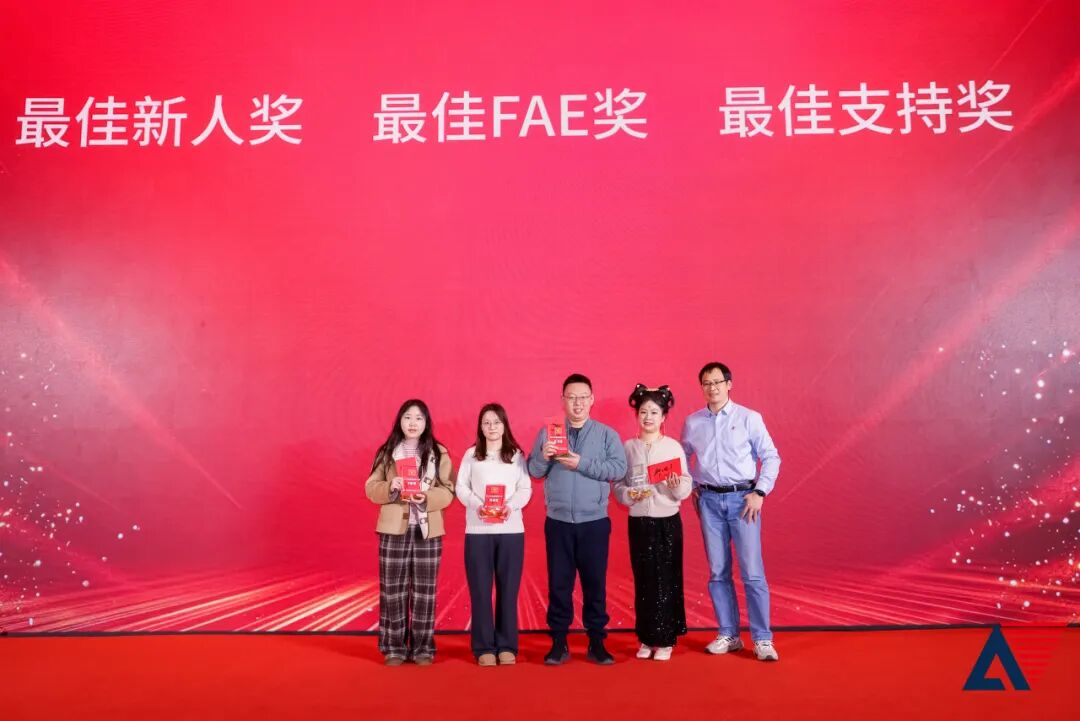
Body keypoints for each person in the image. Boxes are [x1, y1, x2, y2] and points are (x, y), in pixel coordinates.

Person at [681, 362, 781, 662]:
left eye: (717, 382)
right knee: (717, 571)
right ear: (701, 387)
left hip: (743, 501)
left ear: (729, 384)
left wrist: (760, 492)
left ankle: (762, 639)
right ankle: (729, 634)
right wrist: (692, 485)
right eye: (706, 383)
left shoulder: (749, 418)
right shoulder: (693, 422)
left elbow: (771, 456)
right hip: (709, 501)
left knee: (752, 572)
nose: (712, 388)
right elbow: (682, 456)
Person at [527, 373, 627, 665]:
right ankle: (559, 642)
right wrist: (544, 456)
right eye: (571, 397)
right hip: (558, 522)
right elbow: (533, 471)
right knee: (559, 584)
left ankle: (596, 642)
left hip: (594, 522)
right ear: (563, 400)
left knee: (595, 584)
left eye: (583, 397)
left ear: (592, 399)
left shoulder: (606, 434)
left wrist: (581, 463)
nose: (577, 403)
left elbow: (618, 469)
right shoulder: (548, 432)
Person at [364, 399, 454, 666]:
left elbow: (448, 490)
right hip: (393, 530)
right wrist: (391, 486)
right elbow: (371, 488)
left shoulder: (438, 452)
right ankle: (394, 648)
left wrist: (427, 497)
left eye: (418, 418)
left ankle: (423, 648)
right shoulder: (387, 451)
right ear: (399, 421)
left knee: (425, 592)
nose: (413, 423)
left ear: (426, 423)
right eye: (407, 417)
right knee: (392, 590)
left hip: (428, 530)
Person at [613, 384, 691, 661]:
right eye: (644, 411)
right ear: (637, 414)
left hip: (667, 522)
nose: (648, 417)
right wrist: (628, 495)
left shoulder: (672, 447)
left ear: (663, 416)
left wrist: (675, 485)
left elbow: (685, 488)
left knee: (667, 580)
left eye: (654, 412)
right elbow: (618, 486)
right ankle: (646, 638)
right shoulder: (628, 447)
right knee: (644, 580)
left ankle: (666, 639)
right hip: (639, 523)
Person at [455, 403, 533, 666]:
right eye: (486, 423)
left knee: (508, 591)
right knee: (480, 590)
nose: (491, 427)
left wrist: (510, 506)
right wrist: (478, 505)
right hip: (478, 531)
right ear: (480, 426)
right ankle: (483, 647)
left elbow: (525, 489)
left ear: (504, 425)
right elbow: (461, 487)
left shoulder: (516, 455)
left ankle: (507, 645)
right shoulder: (471, 455)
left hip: (511, 531)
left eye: (496, 422)